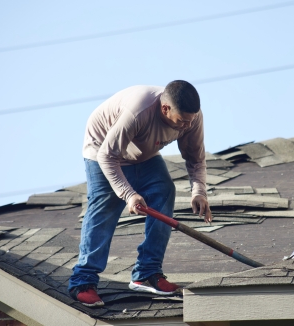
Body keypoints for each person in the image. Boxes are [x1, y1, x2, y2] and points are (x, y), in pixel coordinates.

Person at [68, 80, 211, 307]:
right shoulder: (138, 112)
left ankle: (147, 273)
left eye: (190, 120)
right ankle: (83, 282)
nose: (186, 126)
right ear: (165, 109)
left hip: (142, 154)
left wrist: (199, 192)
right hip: (102, 150)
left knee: (164, 191)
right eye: (182, 121)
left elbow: (195, 158)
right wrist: (128, 193)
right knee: (105, 206)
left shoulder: (191, 117)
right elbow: (107, 156)